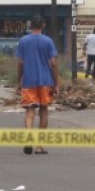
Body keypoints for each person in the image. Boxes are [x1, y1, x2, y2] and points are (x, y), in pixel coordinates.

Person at [16, 15, 59, 155]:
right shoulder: (48, 41)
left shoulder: (23, 41)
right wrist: (56, 83)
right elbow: (53, 64)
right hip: (45, 81)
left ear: (30, 26)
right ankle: (39, 146)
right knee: (44, 111)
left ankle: (28, 139)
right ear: (43, 25)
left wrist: (19, 81)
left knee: (30, 111)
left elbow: (20, 63)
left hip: (29, 81)